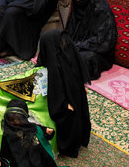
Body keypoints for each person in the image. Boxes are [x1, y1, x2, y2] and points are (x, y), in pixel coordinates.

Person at [37, 29, 91, 158]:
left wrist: (63, 104)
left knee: (69, 116)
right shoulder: (67, 56)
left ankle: (70, 146)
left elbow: (57, 90)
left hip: (69, 103)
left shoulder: (56, 65)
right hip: (75, 98)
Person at [64, 0, 117, 80]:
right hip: (77, 46)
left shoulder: (102, 12)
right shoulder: (76, 8)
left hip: (98, 52)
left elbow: (103, 42)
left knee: (85, 59)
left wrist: (78, 46)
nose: (78, 2)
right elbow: (69, 31)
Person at [0, 99, 57, 167]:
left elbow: (44, 135)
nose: (15, 122)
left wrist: (49, 132)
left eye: (18, 119)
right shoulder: (7, 136)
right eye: (11, 119)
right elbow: (5, 156)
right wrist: (1, 164)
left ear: (24, 118)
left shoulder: (33, 128)